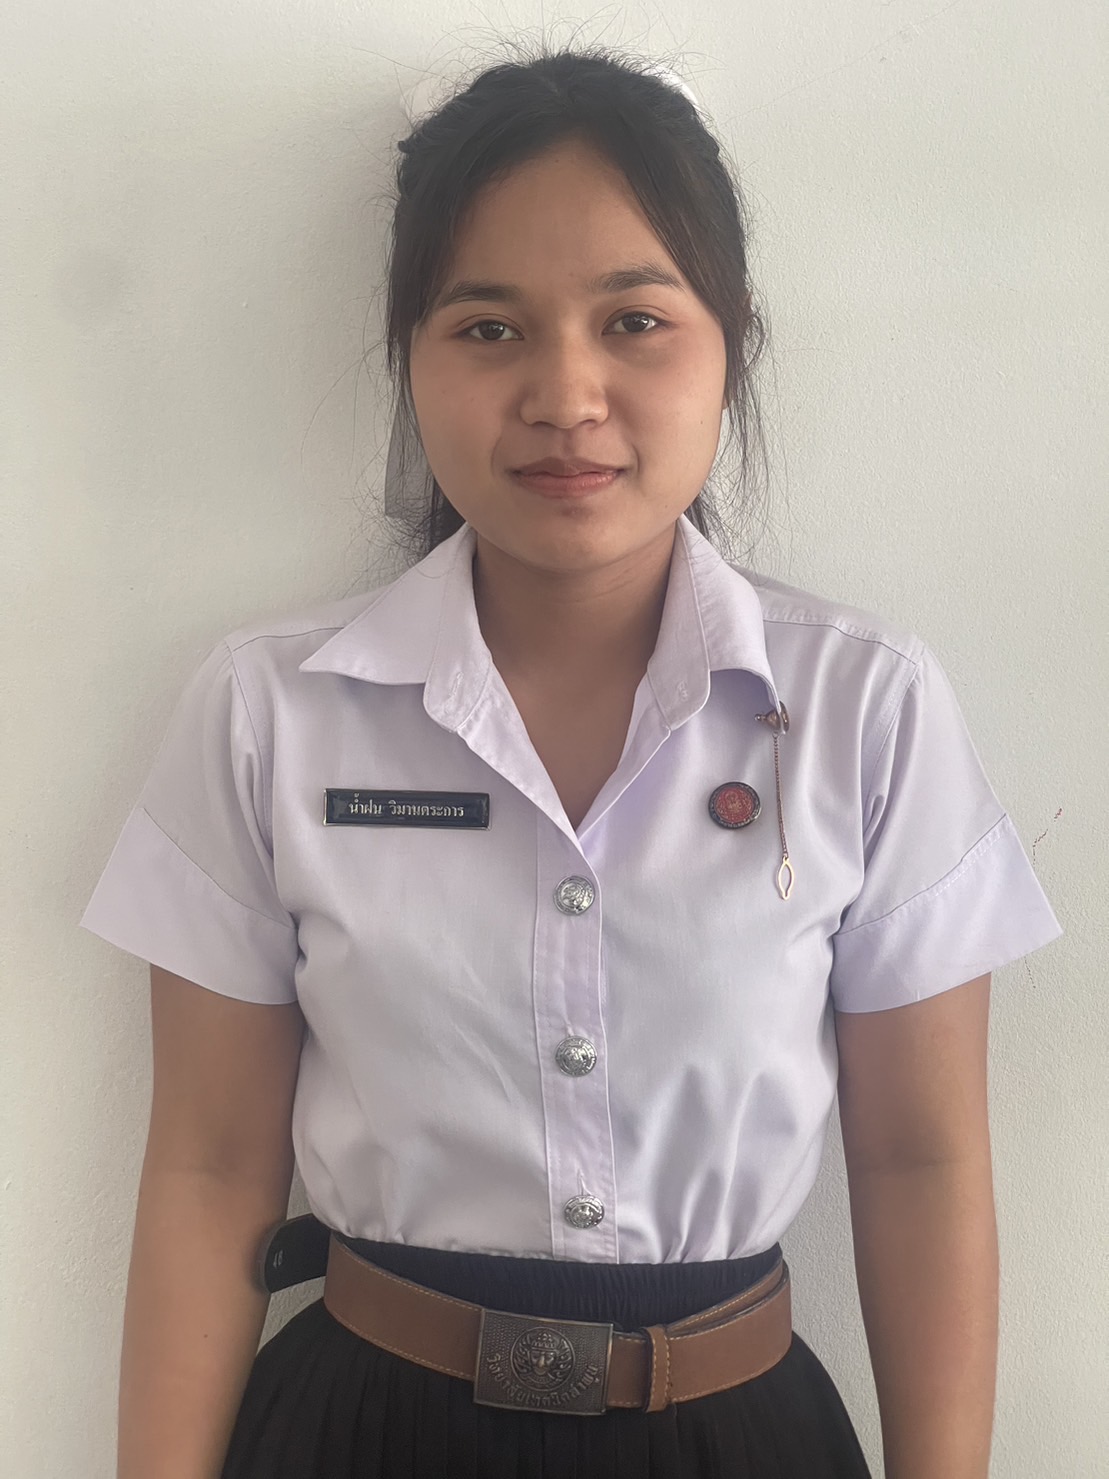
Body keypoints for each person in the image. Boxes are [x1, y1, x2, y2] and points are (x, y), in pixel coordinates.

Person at [79, 43, 1062, 1479]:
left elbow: (921, 1164)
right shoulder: (268, 713)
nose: (565, 392)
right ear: (411, 358)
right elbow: (211, 1167)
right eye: (488, 327)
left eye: (634, 321)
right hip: (357, 1432)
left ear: (731, 347)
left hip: (738, 1438)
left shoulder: (867, 707)